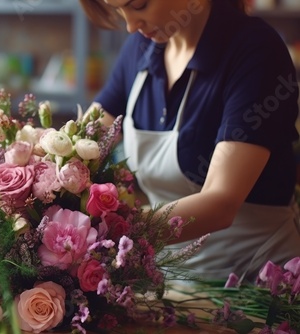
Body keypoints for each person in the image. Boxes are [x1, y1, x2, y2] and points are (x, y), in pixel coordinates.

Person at [80, 0, 300, 281]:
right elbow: (82, 144)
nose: (131, 25)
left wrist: (109, 230)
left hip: (257, 283)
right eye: (119, 10)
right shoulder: (140, 50)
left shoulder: (255, 50)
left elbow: (220, 204)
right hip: (174, 284)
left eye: (138, 5)